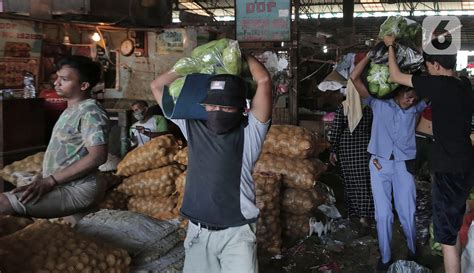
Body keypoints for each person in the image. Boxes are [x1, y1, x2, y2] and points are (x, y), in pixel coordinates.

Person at [150, 55, 272, 273]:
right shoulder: (191, 125)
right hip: (198, 231)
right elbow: (157, 85)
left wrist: (240, 54)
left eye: (227, 108)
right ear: (203, 106)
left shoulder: (250, 132)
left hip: (237, 233)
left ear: (242, 109)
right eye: (212, 106)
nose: (218, 112)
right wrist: (192, 63)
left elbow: (263, 81)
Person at [384, 34, 474, 273]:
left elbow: (395, 76)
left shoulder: (439, 85)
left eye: (428, 66)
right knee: (454, 223)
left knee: (446, 236)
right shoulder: (465, 84)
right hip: (466, 163)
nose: (427, 71)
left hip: (447, 168)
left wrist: (390, 46)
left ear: (435, 65)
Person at [0, 55, 109, 219]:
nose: (56, 82)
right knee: (84, 233)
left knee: (3, 202)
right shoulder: (72, 109)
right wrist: (41, 176)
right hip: (63, 184)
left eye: (64, 79)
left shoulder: (91, 112)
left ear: (84, 85)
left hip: (77, 188)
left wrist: (50, 181)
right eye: (57, 77)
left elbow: (98, 156)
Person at [351, 52, 427, 273]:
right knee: (383, 214)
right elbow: (355, 78)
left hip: (404, 165)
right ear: (397, 93)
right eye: (407, 97)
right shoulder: (377, 103)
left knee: (408, 212)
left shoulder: (416, 107)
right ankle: (385, 257)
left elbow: (434, 90)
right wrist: (371, 55)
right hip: (379, 164)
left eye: (414, 98)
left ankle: (413, 251)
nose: (410, 101)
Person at [329, 104, 374, 228]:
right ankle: (365, 216)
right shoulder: (369, 107)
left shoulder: (344, 107)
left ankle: (353, 214)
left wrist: (333, 150)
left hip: (348, 147)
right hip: (366, 146)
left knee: (350, 180)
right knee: (365, 181)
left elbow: (336, 130)